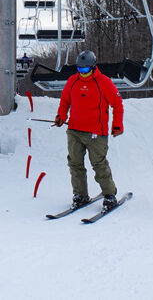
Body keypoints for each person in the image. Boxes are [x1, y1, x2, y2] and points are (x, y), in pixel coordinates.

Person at [54, 50, 124, 211]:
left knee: (99, 164)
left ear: (93, 67)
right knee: (75, 164)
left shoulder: (104, 82)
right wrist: (60, 116)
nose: (82, 73)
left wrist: (117, 125)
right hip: (74, 130)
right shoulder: (72, 81)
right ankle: (80, 194)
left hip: (96, 133)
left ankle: (109, 195)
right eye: (79, 69)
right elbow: (65, 101)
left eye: (85, 70)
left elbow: (117, 104)